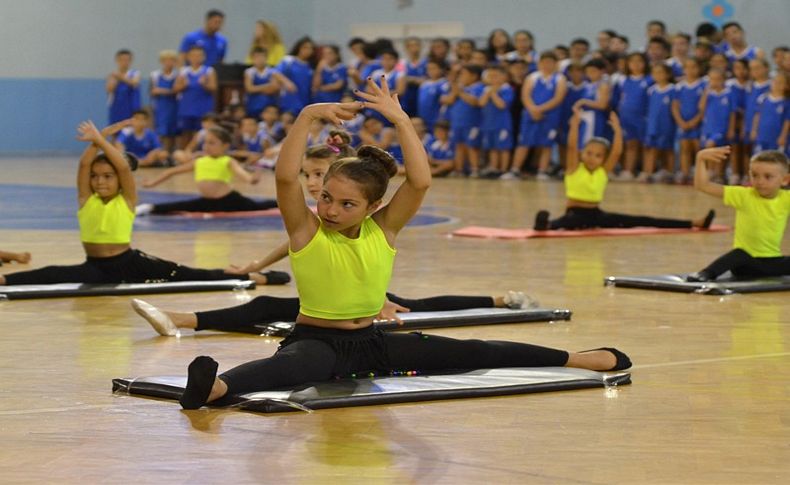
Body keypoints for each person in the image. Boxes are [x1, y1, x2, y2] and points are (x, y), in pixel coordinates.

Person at [173, 78, 631, 410]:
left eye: (346, 204)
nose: (330, 209)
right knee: (287, 367)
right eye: (327, 197)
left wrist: (400, 120)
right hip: (317, 340)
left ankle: (575, 358)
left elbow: (421, 180)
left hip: (373, 341)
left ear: (373, 207)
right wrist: (307, 115)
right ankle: (215, 388)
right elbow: (285, 176)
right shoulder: (306, 231)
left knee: (472, 353)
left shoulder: (384, 229)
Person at [132, 142, 530, 336]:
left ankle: (498, 299)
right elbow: (300, 244)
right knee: (275, 303)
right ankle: (184, 320)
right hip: (333, 285)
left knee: (411, 304)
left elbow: (417, 184)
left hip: (360, 282)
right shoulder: (323, 211)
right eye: (307, 176)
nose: (310, 183)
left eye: (316, 174)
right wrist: (258, 265)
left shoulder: (355, 203)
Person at [0, 120, 285, 287]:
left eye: (107, 177)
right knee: (51, 274)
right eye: (96, 178)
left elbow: (123, 169)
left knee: (187, 274)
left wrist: (102, 138)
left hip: (129, 262)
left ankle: (253, 276)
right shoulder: (86, 200)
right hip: (95, 267)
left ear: (119, 180)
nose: (100, 182)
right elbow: (86, 162)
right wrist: (103, 135)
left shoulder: (126, 199)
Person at [533, 108, 714, 231]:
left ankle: (695, 222)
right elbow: (572, 146)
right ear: (582, 154)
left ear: (603, 159)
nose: (592, 157)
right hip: (574, 213)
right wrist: (574, 125)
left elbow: (617, 151)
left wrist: (618, 131)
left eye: (597, 155)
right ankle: (546, 225)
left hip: (596, 214)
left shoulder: (602, 171)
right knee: (564, 222)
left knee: (644, 221)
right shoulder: (574, 168)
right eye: (588, 153)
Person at [689, 147, 789, 281]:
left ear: (785, 180)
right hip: (744, 264)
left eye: (768, 177)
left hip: (772, 262)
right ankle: (706, 273)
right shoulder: (743, 195)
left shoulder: (786, 198)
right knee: (739, 253)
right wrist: (701, 158)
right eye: (754, 175)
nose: (760, 181)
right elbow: (703, 185)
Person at [136, 126, 277, 215]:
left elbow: (246, 177)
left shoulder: (227, 161)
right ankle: (149, 207)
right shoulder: (199, 161)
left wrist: (254, 179)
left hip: (229, 201)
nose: (206, 146)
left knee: (260, 206)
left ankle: (286, 203)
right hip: (207, 201)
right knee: (179, 206)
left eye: (212, 143)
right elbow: (171, 172)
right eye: (205, 142)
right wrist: (151, 184)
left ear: (225, 145)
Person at [504, 51, 567, 180]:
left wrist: (541, 109)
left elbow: (558, 97)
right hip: (530, 114)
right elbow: (525, 95)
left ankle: (542, 171)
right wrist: (532, 109)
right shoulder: (532, 77)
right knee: (524, 142)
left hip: (550, 115)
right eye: (544, 62)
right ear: (539, 63)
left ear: (555, 64)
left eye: (550, 62)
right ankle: (515, 169)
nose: (547, 65)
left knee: (546, 144)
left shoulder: (560, 79)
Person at [440, 64, 484, 177]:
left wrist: (460, 92)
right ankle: (459, 170)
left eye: (463, 74)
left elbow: (475, 102)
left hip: (471, 122)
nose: (460, 77)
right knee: (458, 145)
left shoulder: (478, 87)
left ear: (474, 76)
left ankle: (474, 169)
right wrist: (456, 91)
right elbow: (446, 100)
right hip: (457, 122)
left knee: (472, 146)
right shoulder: (458, 87)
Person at [615, 52, 652, 181]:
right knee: (630, 144)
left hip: (644, 118)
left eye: (639, 61)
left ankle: (646, 171)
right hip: (627, 117)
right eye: (632, 61)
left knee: (646, 145)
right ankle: (628, 171)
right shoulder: (623, 80)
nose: (636, 64)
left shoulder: (649, 80)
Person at [672, 57, 706, 185]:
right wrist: (680, 121)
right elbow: (675, 106)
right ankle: (685, 173)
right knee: (684, 148)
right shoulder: (679, 87)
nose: (690, 70)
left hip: (698, 123)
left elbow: (703, 107)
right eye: (687, 67)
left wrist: (695, 120)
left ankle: (699, 174)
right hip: (683, 123)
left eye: (694, 67)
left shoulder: (703, 85)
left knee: (698, 148)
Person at [175, 46, 217, 147]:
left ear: (203, 57)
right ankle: (184, 154)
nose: (196, 58)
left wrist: (204, 84)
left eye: (199, 55)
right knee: (185, 133)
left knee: (204, 133)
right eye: (193, 55)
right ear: (188, 57)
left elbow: (214, 88)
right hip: (186, 108)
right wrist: (183, 85)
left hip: (203, 108)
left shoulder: (208, 71)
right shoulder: (183, 71)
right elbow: (175, 88)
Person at [478, 65, 515, 178]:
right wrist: (488, 92)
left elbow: (502, 105)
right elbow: (481, 103)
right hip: (488, 123)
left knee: (503, 147)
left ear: (503, 77)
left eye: (496, 76)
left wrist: (493, 93)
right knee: (492, 147)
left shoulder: (507, 88)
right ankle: (494, 168)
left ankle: (503, 170)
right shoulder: (486, 89)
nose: (493, 78)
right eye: (490, 76)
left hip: (502, 123)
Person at [642, 63, 676, 183]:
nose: (658, 75)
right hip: (653, 125)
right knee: (651, 148)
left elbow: (675, 108)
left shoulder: (673, 89)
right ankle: (648, 173)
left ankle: (670, 173)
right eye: (655, 73)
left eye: (661, 72)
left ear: (668, 74)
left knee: (668, 150)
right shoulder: (651, 90)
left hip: (667, 125)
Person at [276, 37, 316, 115]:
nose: (308, 51)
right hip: (289, 99)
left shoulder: (311, 66)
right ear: (299, 47)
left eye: (311, 49)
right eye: (305, 47)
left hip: (305, 101)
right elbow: (276, 73)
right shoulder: (288, 60)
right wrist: (286, 82)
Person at [750, 73, 789, 153]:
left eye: (780, 82)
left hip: (776, 137)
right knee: (759, 157)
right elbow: (757, 115)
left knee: (776, 160)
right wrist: (754, 130)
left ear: (787, 86)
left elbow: (787, 121)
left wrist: (783, 136)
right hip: (762, 135)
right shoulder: (763, 98)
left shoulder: (786, 102)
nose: (777, 84)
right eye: (775, 81)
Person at [150, 50, 179, 152]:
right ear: (161, 61)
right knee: (161, 131)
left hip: (174, 106)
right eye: (166, 60)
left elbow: (177, 91)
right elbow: (152, 91)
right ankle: (161, 153)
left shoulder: (178, 75)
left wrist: (161, 91)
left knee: (173, 132)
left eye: (171, 60)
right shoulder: (155, 75)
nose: (169, 62)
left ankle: (170, 154)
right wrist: (168, 92)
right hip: (160, 106)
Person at [727, 59, 750, 185]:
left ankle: (746, 174)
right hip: (733, 119)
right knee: (734, 148)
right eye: (736, 68)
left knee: (746, 149)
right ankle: (735, 173)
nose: (740, 71)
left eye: (742, 68)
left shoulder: (751, 85)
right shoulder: (730, 85)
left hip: (747, 120)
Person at [244, 47, 280, 119]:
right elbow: (249, 88)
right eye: (257, 57)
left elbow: (274, 88)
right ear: (252, 58)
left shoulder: (273, 71)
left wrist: (257, 88)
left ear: (266, 58)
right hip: (253, 106)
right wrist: (267, 86)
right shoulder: (249, 72)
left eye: (262, 57)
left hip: (269, 106)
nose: (260, 60)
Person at [106, 49, 141, 125]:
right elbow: (109, 89)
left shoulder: (135, 73)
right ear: (117, 60)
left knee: (131, 130)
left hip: (131, 108)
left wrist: (119, 76)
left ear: (131, 61)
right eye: (122, 60)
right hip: (116, 108)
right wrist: (115, 78)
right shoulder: (113, 75)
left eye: (127, 60)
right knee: (115, 130)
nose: (124, 62)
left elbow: (134, 83)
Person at [416, 59, 447, 131]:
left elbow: (444, 102)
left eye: (434, 68)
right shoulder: (424, 85)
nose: (431, 71)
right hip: (423, 119)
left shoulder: (444, 83)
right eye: (428, 69)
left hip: (436, 119)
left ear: (441, 69)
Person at [402, 37, 427, 117]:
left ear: (421, 47)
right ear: (406, 48)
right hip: (406, 98)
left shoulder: (426, 62)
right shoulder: (402, 63)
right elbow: (400, 79)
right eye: (410, 46)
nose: (414, 48)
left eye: (416, 45)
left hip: (421, 98)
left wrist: (410, 79)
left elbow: (427, 80)